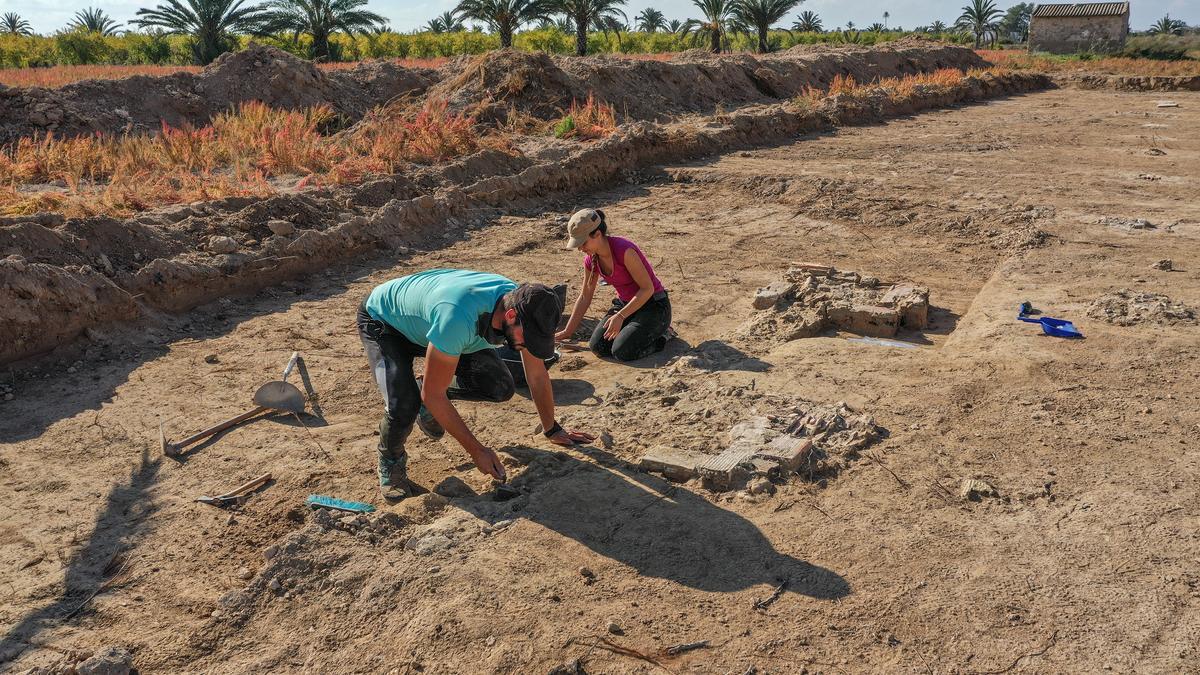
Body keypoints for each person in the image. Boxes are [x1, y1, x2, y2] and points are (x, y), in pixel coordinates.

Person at [358, 269, 594, 500]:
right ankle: (390, 463)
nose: (531, 343)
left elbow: (537, 374)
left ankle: (424, 386)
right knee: (404, 405)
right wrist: (477, 451)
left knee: (499, 386)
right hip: (385, 323)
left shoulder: (524, 307)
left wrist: (551, 428)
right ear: (510, 316)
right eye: (530, 338)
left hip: (435, 325)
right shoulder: (457, 318)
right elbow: (434, 394)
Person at [555, 209, 672, 362]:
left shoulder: (624, 251)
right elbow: (585, 296)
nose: (580, 248)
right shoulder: (591, 261)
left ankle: (663, 335)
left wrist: (620, 316)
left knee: (623, 352)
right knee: (598, 347)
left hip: (654, 306)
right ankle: (633, 329)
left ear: (597, 234)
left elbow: (647, 289)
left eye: (583, 243)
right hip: (626, 306)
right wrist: (567, 331)